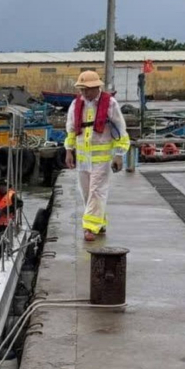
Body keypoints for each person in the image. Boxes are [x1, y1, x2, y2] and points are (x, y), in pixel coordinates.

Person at [64, 70, 130, 241]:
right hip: (83, 159)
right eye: (82, 89)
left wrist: (119, 154)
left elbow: (120, 130)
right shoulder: (76, 105)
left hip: (102, 159)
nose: (85, 92)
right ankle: (99, 222)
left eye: (87, 89)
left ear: (96, 88)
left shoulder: (110, 104)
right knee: (86, 193)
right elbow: (71, 130)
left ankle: (89, 227)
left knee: (96, 192)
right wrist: (69, 150)